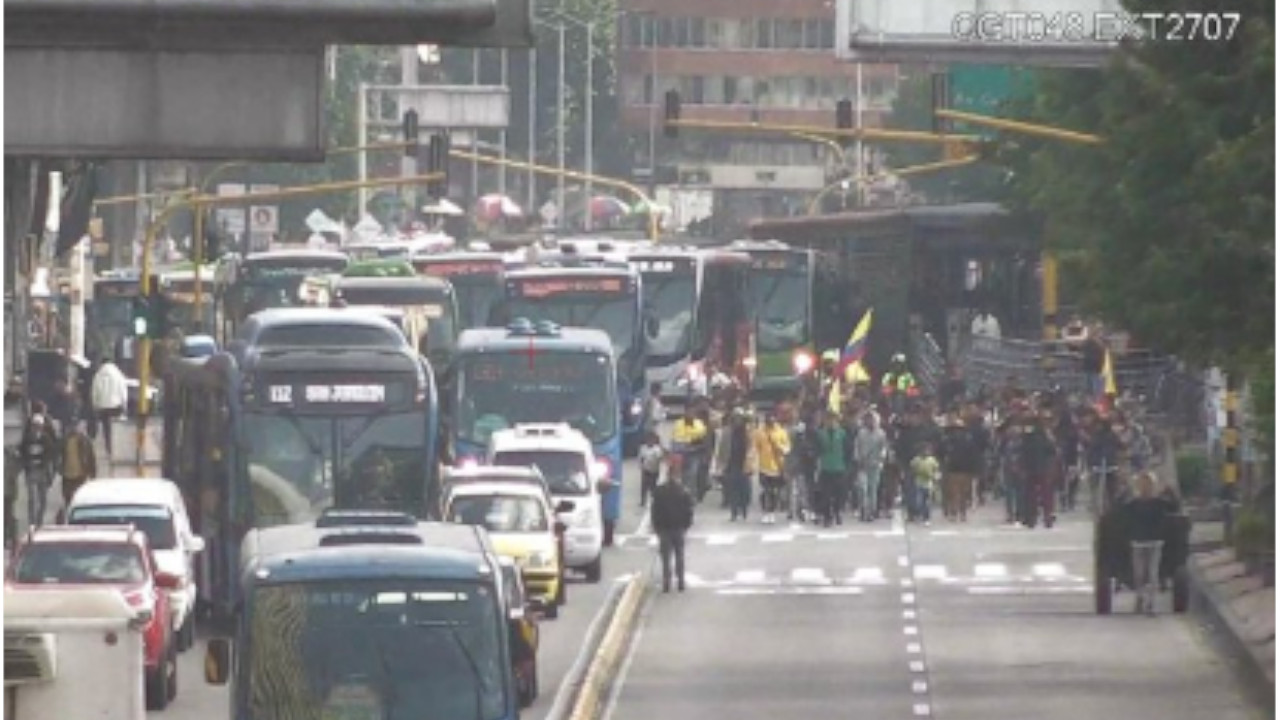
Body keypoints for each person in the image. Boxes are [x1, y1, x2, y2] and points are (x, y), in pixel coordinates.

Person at [1126, 472, 1174, 615]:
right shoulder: (1134, 503)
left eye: (1149, 484)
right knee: (1139, 573)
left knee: (1153, 574)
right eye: (1142, 484)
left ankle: (1151, 604)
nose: (1145, 487)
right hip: (1138, 543)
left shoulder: (1160, 502)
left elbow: (1174, 505)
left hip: (1155, 542)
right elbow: (1120, 509)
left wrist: (1169, 489)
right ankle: (1140, 597)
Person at [650, 467, 695, 593]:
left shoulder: (659, 492)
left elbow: (654, 511)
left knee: (666, 557)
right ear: (678, 476)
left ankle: (666, 582)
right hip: (679, 528)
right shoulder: (684, 491)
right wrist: (686, 525)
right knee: (679, 555)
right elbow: (689, 511)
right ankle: (680, 581)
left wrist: (656, 527)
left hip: (664, 529)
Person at [19, 402, 60, 529]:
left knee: (42, 498)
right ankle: (32, 521)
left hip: (42, 471)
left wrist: (50, 468)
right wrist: (25, 464)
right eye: (34, 426)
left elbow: (52, 453)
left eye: (38, 426)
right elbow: (22, 451)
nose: (36, 428)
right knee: (32, 498)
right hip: (31, 470)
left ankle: (39, 521)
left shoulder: (46, 439)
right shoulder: (27, 439)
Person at [713, 408, 757, 522]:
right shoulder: (727, 432)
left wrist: (751, 463)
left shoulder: (748, 432)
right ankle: (734, 512)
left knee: (745, 490)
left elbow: (752, 448)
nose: (738, 421)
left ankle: (743, 509)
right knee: (732, 489)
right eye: (735, 418)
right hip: (731, 464)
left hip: (744, 464)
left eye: (740, 419)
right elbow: (722, 449)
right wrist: (719, 465)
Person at [56, 419, 98, 522]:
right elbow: (58, 455)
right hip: (67, 475)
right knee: (68, 500)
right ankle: (69, 520)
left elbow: (91, 457)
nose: (74, 429)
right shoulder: (65, 440)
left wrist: (93, 473)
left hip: (81, 475)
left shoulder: (85, 440)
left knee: (79, 500)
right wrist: (59, 468)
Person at [941, 414, 980, 522]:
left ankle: (962, 512)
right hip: (952, 470)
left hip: (965, 470)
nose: (956, 432)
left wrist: (974, 470)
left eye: (958, 429)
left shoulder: (968, 441)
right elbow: (941, 453)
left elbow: (973, 456)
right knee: (953, 492)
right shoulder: (947, 441)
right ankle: (954, 512)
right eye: (954, 429)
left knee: (964, 493)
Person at [754, 412, 791, 525]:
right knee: (766, 490)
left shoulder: (781, 432)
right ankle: (766, 512)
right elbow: (756, 448)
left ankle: (772, 512)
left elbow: (788, 448)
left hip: (777, 466)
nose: (771, 422)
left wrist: (780, 447)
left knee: (774, 491)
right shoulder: (759, 432)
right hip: (764, 467)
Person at [815, 410, 849, 527]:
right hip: (825, 468)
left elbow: (847, 450)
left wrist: (847, 466)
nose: (831, 422)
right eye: (829, 419)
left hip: (839, 468)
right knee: (826, 495)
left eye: (833, 420)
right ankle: (827, 517)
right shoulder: (820, 434)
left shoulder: (842, 433)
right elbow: (817, 450)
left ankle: (837, 511)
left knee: (839, 494)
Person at [91, 356, 128, 461]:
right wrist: (124, 404)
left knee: (106, 429)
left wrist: (95, 404)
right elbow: (123, 390)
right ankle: (116, 448)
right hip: (116, 406)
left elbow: (94, 391)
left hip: (103, 407)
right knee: (116, 428)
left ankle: (109, 449)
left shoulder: (98, 375)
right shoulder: (118, 374)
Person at [853, 411, 888, 522]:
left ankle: (871, 511)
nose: (870, 421)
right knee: (862, 488)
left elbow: (884, 448)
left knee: (873, 489)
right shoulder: (861, 433)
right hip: (863, 465)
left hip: (875, 465)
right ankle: (863, 509)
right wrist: (857, 459)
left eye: (872, 419)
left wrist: (882, 457)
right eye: (868, 419)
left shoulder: (881, 434)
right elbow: (856, 447)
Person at [670, 406, 708, 490]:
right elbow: (675, 439)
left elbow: (702, 439)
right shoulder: (678, 424)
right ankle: (683, 493)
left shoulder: (699, 425)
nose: (689, 415)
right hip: (681, 453)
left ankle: (692, 494)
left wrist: (691, 443)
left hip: (695, 454)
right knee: (682, 475)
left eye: (692, 413)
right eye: (688, 413)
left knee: (693, 474)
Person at [909, 442, 940, 526]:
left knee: (927, 502)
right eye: (924, 450)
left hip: (928, 484)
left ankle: (926, 517)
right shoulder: (917, 460)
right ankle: (919, 514)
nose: (926, 452)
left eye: (927, 450)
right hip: (919, 483)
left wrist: (936, 477)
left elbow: (936, 470)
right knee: (919, 501)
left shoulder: (932, 460)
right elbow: (912, 468)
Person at [637, 431, 666, 509]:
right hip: (646, 469)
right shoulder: (643, 448)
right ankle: (643, 500)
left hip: (654, 470)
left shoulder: (657, 449)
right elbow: (641, 458)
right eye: (648, 440)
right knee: (644, 486)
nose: (649, 442)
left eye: (651, 440)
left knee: (653, 486)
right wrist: (641, 466)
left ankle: (654, 500)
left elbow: (660, 458)